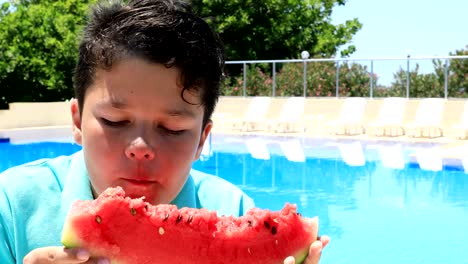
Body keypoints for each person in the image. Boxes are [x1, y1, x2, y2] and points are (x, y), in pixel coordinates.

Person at [0, 0, 329, 263]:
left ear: (202, 139)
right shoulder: (10, 208)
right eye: (115, 121)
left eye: (172, 128)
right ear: (77, 122)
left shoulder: (233, 205)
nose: (140, 147)